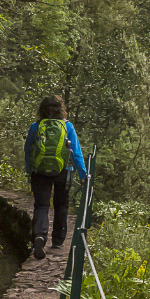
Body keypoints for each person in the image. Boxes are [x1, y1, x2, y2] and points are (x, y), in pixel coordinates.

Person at [25, 95, 87, 261]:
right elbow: (76, 153)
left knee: (42, 205)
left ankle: (39, 236)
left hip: (39, 172)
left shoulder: (35, 127)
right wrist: (83, 173)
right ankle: (58, 240)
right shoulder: (68, 127)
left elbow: (28, 150)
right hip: (63, 170)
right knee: (61, 205)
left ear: (41, 109)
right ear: (61, 109)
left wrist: (28, 170)